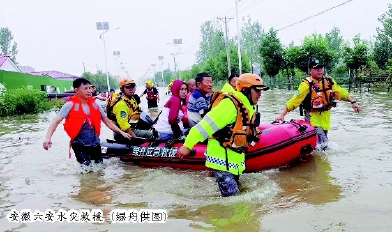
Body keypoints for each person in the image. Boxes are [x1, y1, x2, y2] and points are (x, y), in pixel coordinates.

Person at [178, 73, 268, 197]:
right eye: (257, 91)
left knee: (237, 200)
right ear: (246, 90)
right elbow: (205, 126)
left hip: (234, 161)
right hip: (221, 160)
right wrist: (187, 146)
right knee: (233, 200)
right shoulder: (230, 106)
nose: (260, 94)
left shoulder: (248, 107)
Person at [42, 78, 132, 166]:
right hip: (79, 144)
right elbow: (55, 122)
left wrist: (121, 133)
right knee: (85, 171)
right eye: (85, 88)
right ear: (77, 90)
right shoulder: (70, 105)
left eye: (90, 88)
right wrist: (48, 138)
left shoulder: (95, 105)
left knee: (99, 170)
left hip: (95, 143)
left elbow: (107, 122)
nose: (89, 91)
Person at [276, 59, 361, 149]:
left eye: (321, 68)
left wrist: (353, 102)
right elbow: (294, 100)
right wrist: (282, 115)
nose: (319, 70)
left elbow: (341, 92)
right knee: (324, 146)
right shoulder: (306, 85)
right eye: (316, 68)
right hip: (313, 119)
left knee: (320, 146)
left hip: (326, 120)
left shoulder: (329, 81)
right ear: (310, 71)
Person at [109, 78, 154, 143]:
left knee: (150, 129)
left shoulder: (132, 100)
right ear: (122, 89)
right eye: (128, 87)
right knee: (149, 134)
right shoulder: (121, 104)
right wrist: (135, 138)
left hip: (132, 128)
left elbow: (139, 112)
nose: (131, 89)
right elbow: (124, 125)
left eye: (133, 86)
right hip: (122, 133)